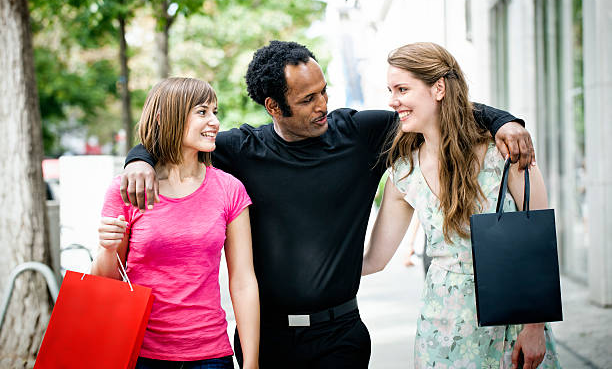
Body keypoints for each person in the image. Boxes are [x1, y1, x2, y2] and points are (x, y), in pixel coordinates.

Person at [122, 41, 535, 368]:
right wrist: (138, 158)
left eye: (323, 92)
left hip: (341, 336)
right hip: (267, 339)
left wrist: (504, 121)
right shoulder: (240, 149)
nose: (322, 105)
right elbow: (175, 140)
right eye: (307, 100)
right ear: (273, 107)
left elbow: (436, 111)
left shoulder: (361, 134)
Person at [362, 42, 561, 368]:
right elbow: (375, 259)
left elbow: (538, 242)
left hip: (508, 321)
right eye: (390, 89)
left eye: (402, 89)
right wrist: (307, 275)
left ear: (438, 88)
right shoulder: (403, 172)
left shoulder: (505, 152)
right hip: (441, 327)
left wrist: (535, 327)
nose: (392, 100)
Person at [91, 78, 260, 369]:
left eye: (215, 112)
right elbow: (106, 281)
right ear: (167, 116)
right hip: (140, 353)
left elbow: (243, 281)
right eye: (202, 112)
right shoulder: (129, 188)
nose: (215, 122)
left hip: (210, 355)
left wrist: (252, 362)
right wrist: (107, 248)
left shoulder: (229, 189)